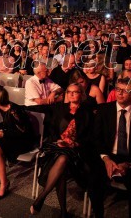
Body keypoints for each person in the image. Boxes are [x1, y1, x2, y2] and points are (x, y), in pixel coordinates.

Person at [89, 77, 131, 218]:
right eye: (118, 89)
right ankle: (98, 214)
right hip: (107, 155)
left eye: (125, 90)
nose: (120, 93)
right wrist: (106, 159)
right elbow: (96, 138)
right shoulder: (104, 110)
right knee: (94, 180)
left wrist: (128, 163)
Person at [30, 83, 95, 216]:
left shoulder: (87, 113)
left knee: (63, 161)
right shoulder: (60, 108)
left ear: (81, 95)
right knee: (62, 162)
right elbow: (52, 128)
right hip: (56, 146)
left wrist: (75, 143)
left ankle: (42, 197)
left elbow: (90, 136)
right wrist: (58, 140)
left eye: (75, 92)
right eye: (69, 92)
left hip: (76, 150)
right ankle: (62, 211)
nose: (71, 94)